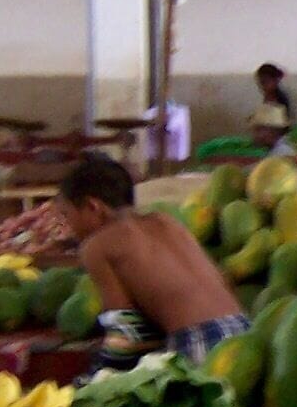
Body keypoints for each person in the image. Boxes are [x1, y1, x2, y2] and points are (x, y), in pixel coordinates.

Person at [54, 155, 247, 367]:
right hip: (243, 337)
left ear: (93, 207)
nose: (68, 227)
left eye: (67, 215)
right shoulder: (166, 222)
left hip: (198, 344)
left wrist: (95, 378)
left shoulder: (97, 245)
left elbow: (129, 334)